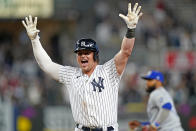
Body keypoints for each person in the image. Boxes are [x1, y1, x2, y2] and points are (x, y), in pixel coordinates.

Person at [22, 2, 143, 131]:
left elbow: (125, 52)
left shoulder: (109, 70)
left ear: (95, 55)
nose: (83, 56)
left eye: (87, 53)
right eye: (79, 53)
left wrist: (131, 30)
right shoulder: (71, 75)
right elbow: (46, 64)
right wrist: (35, 40)